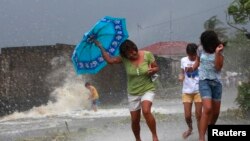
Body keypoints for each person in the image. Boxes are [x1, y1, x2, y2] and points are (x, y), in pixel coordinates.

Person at [94, 39, 159, 141]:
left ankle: (154, 136)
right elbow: (110, 60)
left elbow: (156, 68)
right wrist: (100, 47)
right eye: (130, 54)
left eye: (134, 50)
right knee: (134, 120)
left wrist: (153, 70)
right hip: (133, 93)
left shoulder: (147, 55)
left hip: (147, 89)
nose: (133, 54)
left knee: (146, 111)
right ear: (125, 55)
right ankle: (138, 139)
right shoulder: (124, 59)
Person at [187, 30, 224, 141]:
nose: (202, 44)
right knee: (207, 108)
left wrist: (217, 53)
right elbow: (198, 61)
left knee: (216, 113)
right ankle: (201, 137)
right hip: (204, 81)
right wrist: (192, 68)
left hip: (217, 83)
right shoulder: (200, 49)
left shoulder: (220, 49)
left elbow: (218, 67)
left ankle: (209, 130)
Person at [178, 43, 202, 139]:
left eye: (193, 55)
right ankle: (190, 129)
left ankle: (201, 134)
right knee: (187, 116)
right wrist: (180, 77)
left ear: (196, 53)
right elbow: (182, 72)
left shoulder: (200, 60)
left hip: (198, 90)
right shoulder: (183, 60)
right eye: (190, 55)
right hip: (186, 92)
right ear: (187, 53)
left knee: (199, 114)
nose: (192, 57)